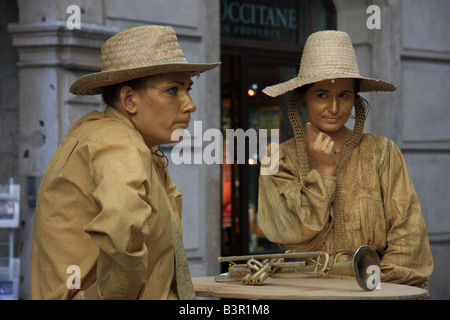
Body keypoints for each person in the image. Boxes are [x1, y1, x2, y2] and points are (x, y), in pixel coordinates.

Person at [31, 25, 220, 300]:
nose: (190, 104)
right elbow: (122, 231)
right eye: (172, 90)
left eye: (187, 89)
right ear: (129, 99)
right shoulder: (119, 142)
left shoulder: (106, 134)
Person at [258, 30, 433, 291]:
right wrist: (324, 172)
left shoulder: (382, 152)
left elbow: (408, 235)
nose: (334, 108)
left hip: (374, 292)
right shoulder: (278, 159)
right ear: (303, 97)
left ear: (356, 99)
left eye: (344, 95)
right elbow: (292, 231)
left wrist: (373, 283)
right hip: (303, 292)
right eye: (322, 95)